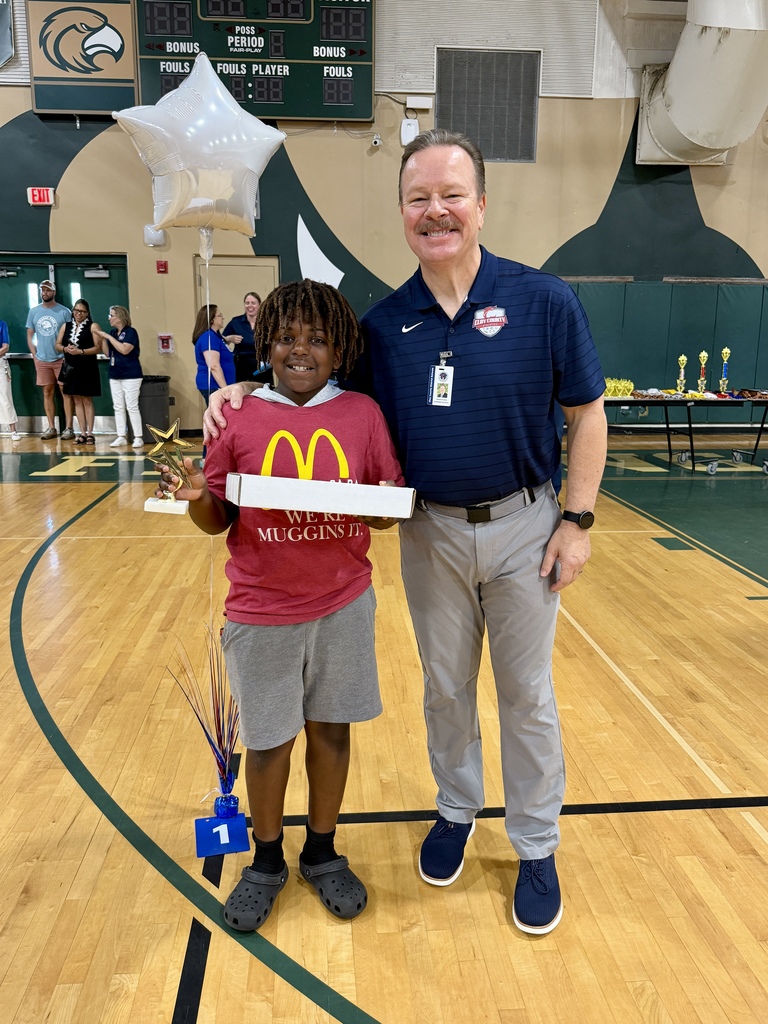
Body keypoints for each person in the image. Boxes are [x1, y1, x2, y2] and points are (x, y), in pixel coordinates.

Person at [204, 130, 608, 936]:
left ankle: (534, 845)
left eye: (452, 194)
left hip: (528, 526)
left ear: (481, 205)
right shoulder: (385, 327)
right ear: (402, 214)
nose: (437, 211)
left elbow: (587, 413)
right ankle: (456, 811)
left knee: (527, 697)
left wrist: (577, 521)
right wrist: (241, 390)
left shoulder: (544, 299)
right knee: (446, 689)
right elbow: (307, 379)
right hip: (429, 532)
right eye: (419, 198)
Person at [157, 279, 404, 932]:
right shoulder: (235, 416)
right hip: (261, 611)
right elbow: (217, 520)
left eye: (317, 338)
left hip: (344, 606)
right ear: (265, 342)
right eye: (288, 337)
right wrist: (194, 497)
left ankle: (321, 851)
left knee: (331, 730)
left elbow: (384, 518)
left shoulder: (362, 416)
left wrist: (365, 502)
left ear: (339, 347)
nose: (302, 349)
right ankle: (265, 861)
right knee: (267, 743)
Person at [25, 280, 75, 441]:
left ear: (54, 292)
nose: (45, 293)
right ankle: (51, 427)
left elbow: (71, 334)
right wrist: (34, 354)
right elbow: (30, 334)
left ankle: (68, 428)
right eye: (43, 290)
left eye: (48, 290)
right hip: (42, 359)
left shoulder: (64, 311)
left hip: (61, 359)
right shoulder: (34, 312)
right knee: (47, 392)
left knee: (66, 392)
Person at [92, 305, 145, 448]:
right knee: (118, 406)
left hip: (131, 375)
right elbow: (108, 353)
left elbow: (124, 349)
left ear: (120, 317)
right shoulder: (113, 333)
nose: (109, 318)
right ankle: (121, 435)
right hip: (115, 374)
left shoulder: (131, 332)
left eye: (112, 315)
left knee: (132, 406)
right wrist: (102, 339)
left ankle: (138, 437)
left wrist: (107, 337)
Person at [55, 298, 102, 445]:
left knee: (87, 400)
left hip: (87, 366)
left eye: (82, 311)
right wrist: (65, 349)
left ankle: (90, 433)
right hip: (71, 366)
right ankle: (81, 432)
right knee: (76, 400)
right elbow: (57, 344)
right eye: (76, 310)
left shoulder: (93, 326)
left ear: (87, 313)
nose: (78, 314)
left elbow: (97, 347)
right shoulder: (66, 326)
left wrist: (80, 351)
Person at [193, 304, 236, 403]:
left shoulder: (216, 337)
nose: (223, 318)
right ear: (212, 319)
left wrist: (228, 339)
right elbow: (214, 366)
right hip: (214, 385)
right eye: (220, 315)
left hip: (219, 385)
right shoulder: (208, 337)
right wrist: (225, 390)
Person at [223, 291, 263, 382]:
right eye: (247, 303)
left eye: (253, 303)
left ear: (259, 305)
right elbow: (221, 340)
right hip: (241, 365)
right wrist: (229, 338)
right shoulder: (236, 322)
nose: (250, 306)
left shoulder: (267, 322)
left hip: (262, 365)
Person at [0, 319, 21, 440]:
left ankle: (13, 430)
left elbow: (5, 347)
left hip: (1, 364)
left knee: (5, 396)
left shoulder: (2, 324)